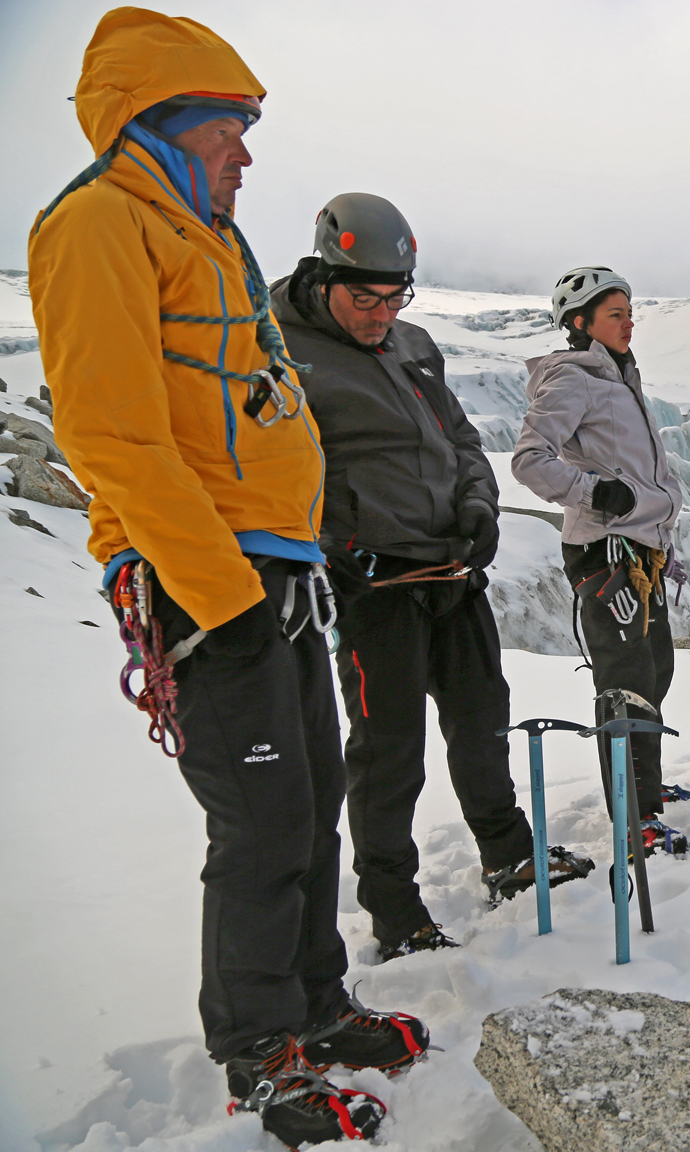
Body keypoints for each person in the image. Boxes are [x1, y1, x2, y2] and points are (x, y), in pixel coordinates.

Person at [27, 9, 425, 1145]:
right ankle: (259, 1054)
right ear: (159, 120)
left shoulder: (203, 238)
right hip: (208, 576)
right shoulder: (98, 225)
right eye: (228, 130)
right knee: (258, 825)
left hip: (272, 567)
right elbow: (110, 438)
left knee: (307, 808)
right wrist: (217, 593)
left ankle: (315, 1004)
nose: (247, 154)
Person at [271, 194, 595, 963]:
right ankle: (392, 906)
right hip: (370, 584)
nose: (382, 314)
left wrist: (480, 509)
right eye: (366, 298)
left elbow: (459, 439)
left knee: (483, 720)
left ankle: (508, 852)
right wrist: (327, 545)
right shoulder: (277, 351)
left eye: (395, 296)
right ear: (323, 274)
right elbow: (269, 467)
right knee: (388, 751)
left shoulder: (411, 342)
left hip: (451, 568)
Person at [512, 267, 690, 854]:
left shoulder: (619, 378)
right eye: (615, 314)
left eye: (630, 312)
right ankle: (632, 813)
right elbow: (530, 459)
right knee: (626, 680)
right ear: (579, 323)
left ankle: (647, 789)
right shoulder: (572, 377)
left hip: (641, 548)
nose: (629, 322)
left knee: (655, 668)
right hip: (604, 548)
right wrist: (594, 494)